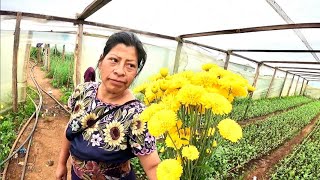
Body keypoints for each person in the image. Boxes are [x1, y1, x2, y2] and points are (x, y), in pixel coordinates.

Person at [56, 31, 160, 180]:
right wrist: (61, 163)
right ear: (101, 61)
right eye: (114, 60)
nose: (119, 71)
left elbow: (152, 166)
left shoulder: (138, 115)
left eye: (130, 65)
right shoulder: (83, 91)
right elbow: (71, 129)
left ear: (136, 73)